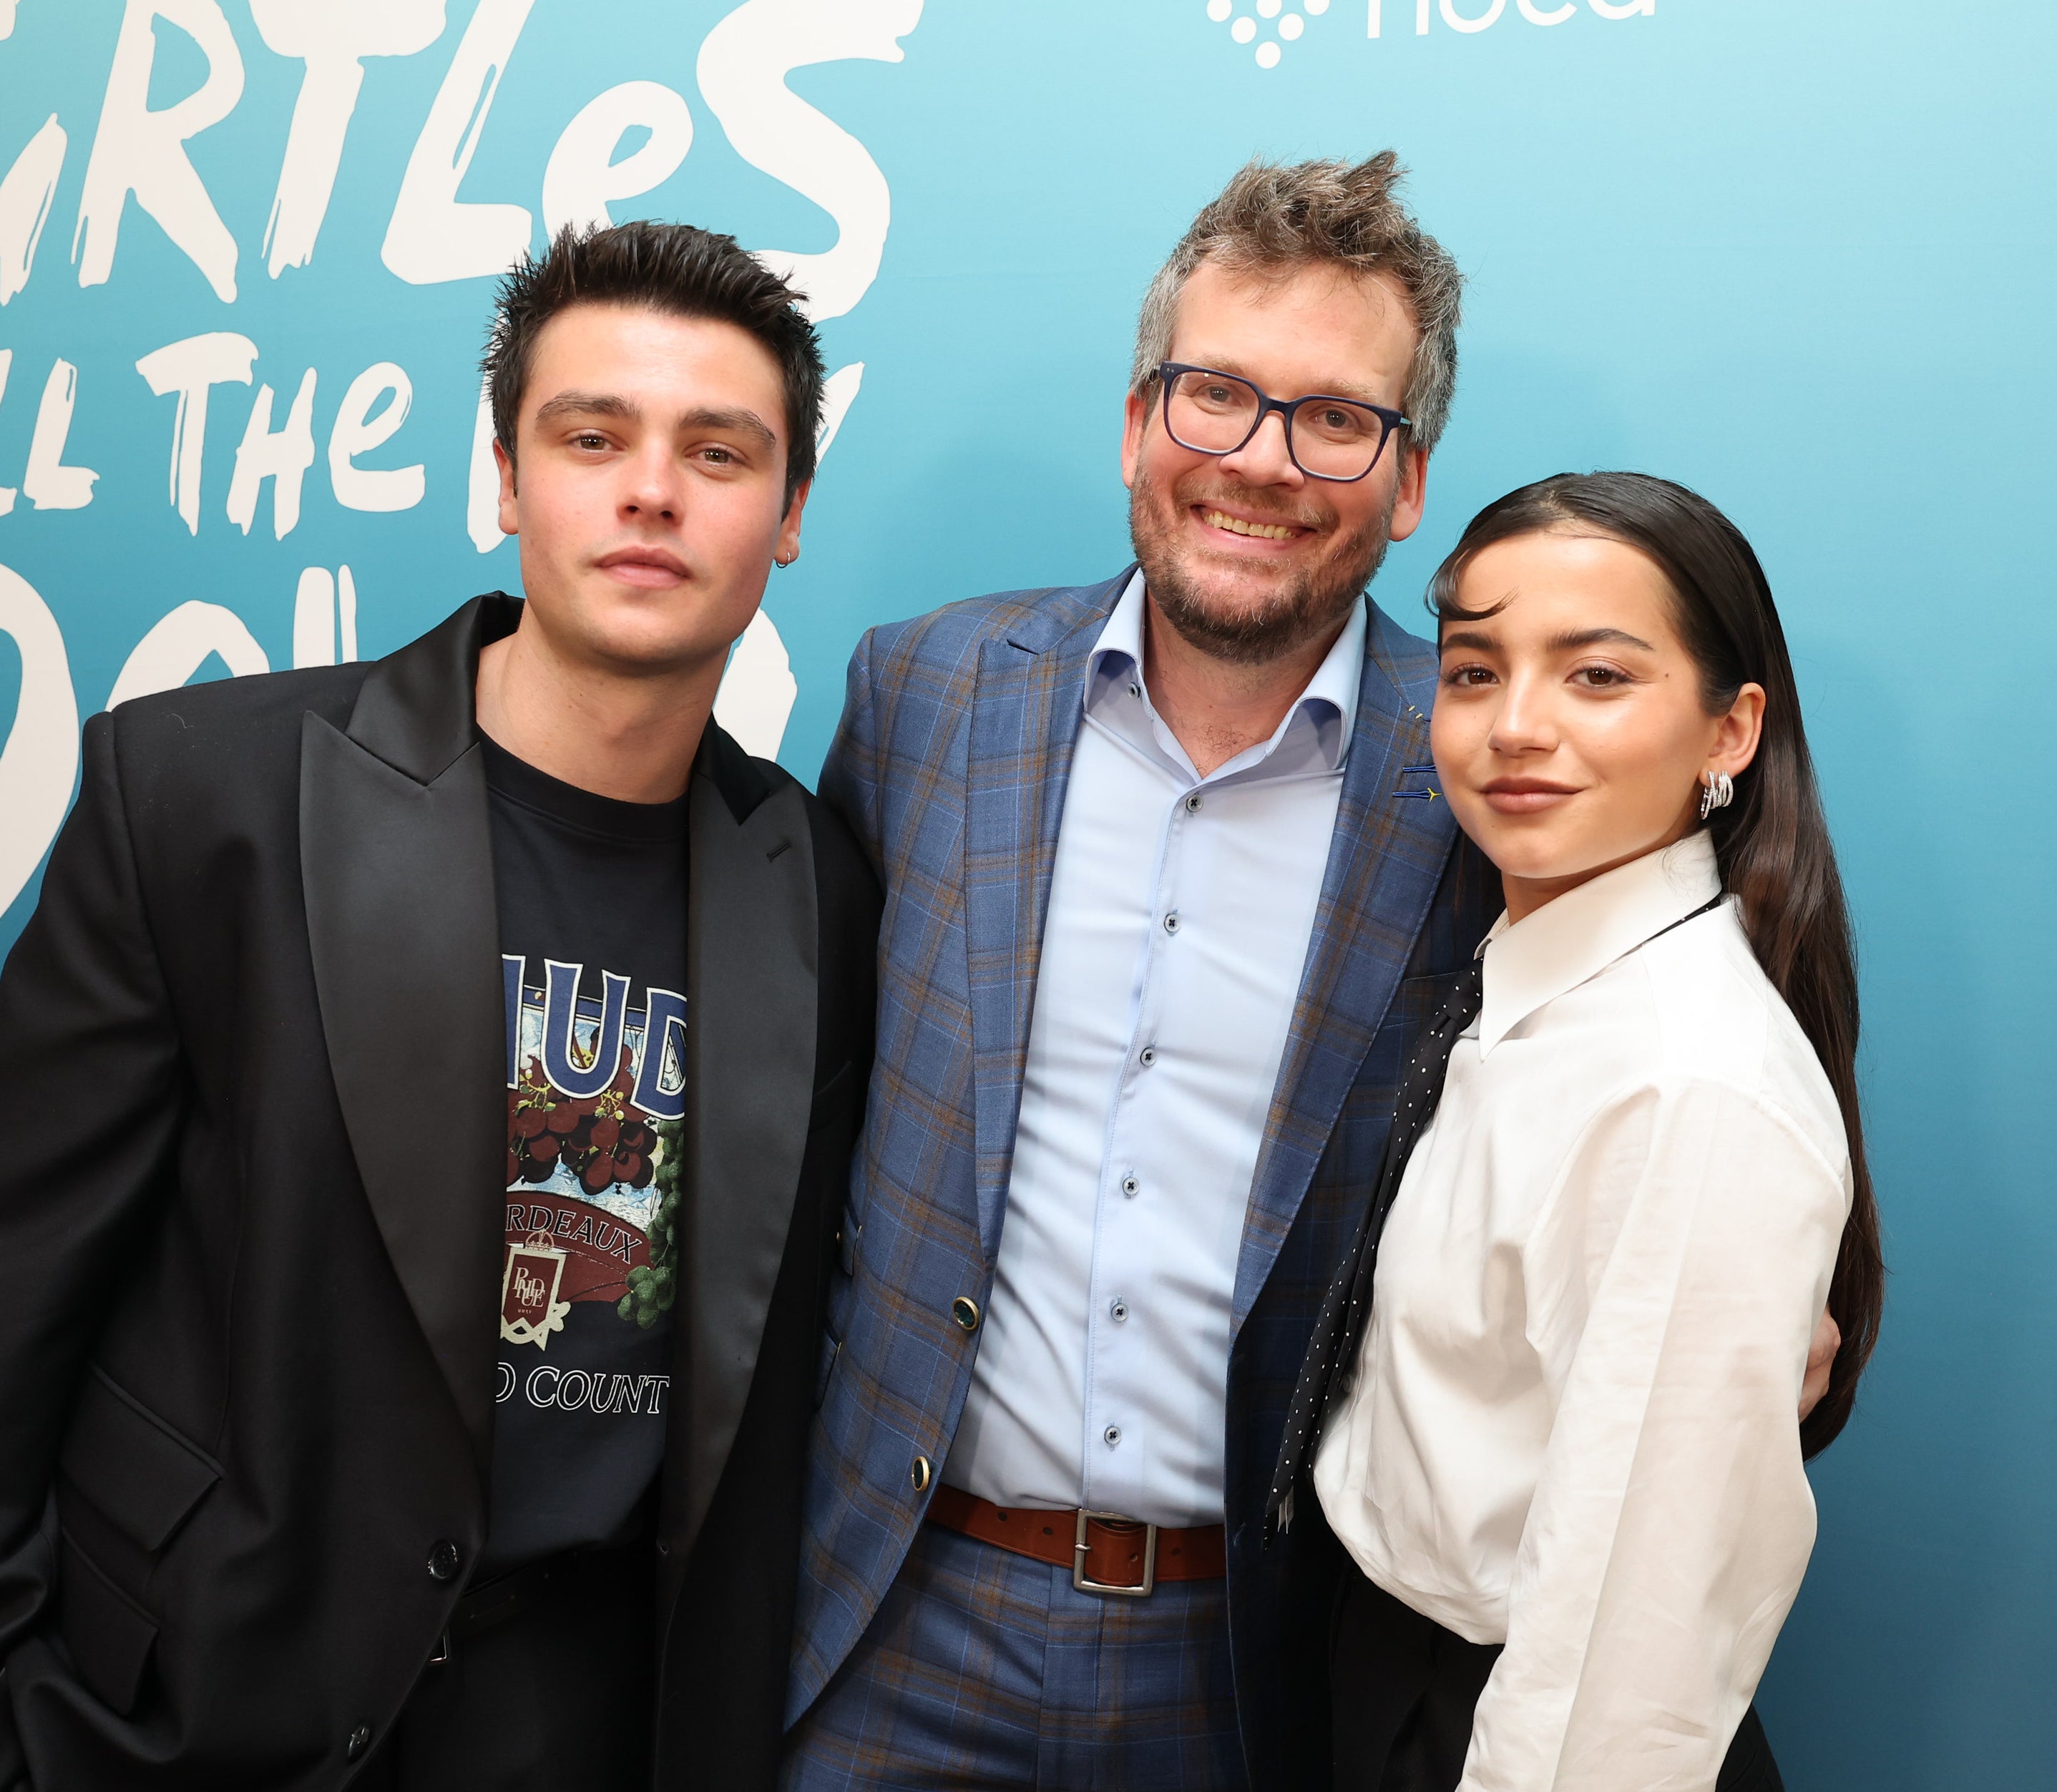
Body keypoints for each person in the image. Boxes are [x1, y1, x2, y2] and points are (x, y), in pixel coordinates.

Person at [785, 160, 1839, 1790]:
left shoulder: (1492, 773)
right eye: (1214, 394)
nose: (1260, 461)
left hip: (1257, 1661)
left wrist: (1745, 1317)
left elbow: (1666, 1113)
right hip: (895, 1619)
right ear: (1140, 419)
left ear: (1407, 477)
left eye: (1335, 418)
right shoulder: (927, 692)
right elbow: (816, 1105)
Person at [0, 221, 877, 1790]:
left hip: (579, 1726)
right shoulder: (204, 792)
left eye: (718, 449)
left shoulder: (817, 884)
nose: (650, 489)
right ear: (504, 476)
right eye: (591, 434)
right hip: (179, 1705)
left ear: (791, 512)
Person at [1287, 472, 1882, 1791]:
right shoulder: (1524, 981)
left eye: (1597, 677)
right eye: (1473, 671)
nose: (1516, 727)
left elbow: (1637, 1637)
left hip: (1517, 1728)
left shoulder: (1692, 1079)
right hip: (1376, 1672)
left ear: (1729, 731)